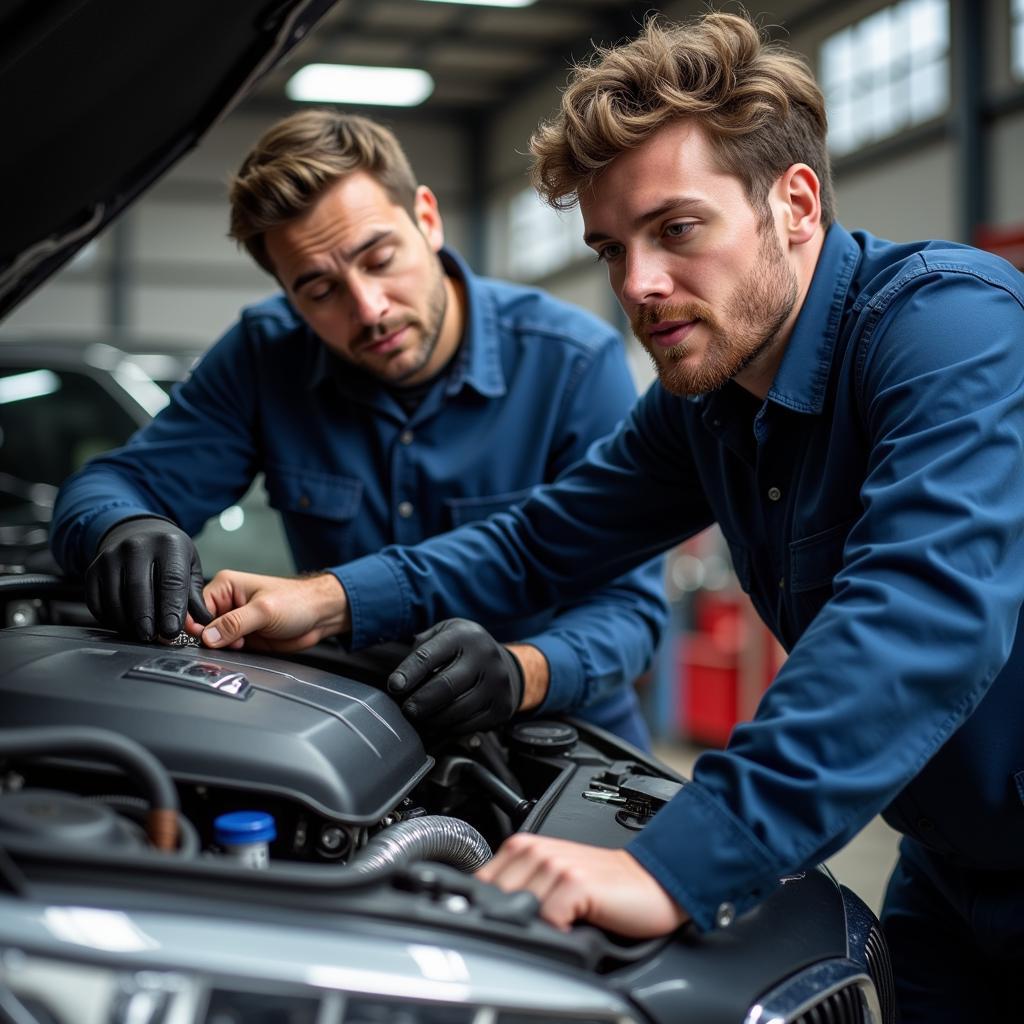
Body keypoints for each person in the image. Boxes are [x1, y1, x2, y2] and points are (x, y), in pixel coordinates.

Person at [185, 13, 1024, 1019]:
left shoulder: (950, 328)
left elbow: (916, 616)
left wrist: (677, 865)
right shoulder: (704, 409)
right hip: (949, 867)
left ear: (794, 203)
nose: (637, 285)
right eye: (611, 247)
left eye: (676, 230)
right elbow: (539, 540)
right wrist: (322, 600)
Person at [50, 110, 667, 749]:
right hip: (351, 726)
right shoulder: (267, 357)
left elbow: (630, 610)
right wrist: (123, 526)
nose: (368, 309)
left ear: (427, 218)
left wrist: (523, 671)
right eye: (319, 289)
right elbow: (113, 484)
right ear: (288, 295)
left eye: (378, 258)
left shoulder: (569, 363)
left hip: (554, 736)